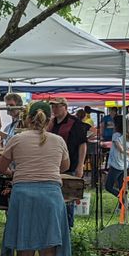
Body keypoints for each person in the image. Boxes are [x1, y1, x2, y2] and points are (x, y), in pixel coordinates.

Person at [0, 101, 71, 256]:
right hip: (50, 197)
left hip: (23, 196)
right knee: (49, 254)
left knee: (24, 251)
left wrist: (16, 173)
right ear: (50, 120)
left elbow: (1, 167)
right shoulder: (58, 141)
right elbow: (65, 166)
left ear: (27, 118)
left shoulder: (16, 139)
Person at [48, 97, 87, 228]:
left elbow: (82, 144)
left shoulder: (74, 123)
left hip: (70, 166)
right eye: (53, 107)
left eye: (57, 106)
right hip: (54, 166)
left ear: (65, 107)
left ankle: (68, 227)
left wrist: (80, 165)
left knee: (68, 199)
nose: (54, 109)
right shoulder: (51, 123)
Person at [105, 115, 129, 197]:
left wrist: (126, 152)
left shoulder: (116, 135)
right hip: (124, 164)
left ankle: (121, 198)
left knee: (108, 186)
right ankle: (123, 202)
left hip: (116, 164)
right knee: (122, 187)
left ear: (117, 124)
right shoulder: (128, 136)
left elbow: (120, 149)